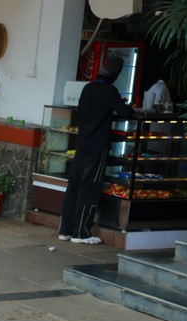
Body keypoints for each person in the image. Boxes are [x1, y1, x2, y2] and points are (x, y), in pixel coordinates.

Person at [58, 56, 138, 245]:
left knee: (74, 186)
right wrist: (127, 106)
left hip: (82, 144)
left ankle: (65, 230)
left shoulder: (88, 88)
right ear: (116, 73)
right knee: (89, 187)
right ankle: (81, 233)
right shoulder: (110, 91)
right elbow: (126, 112)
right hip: (97, 147)